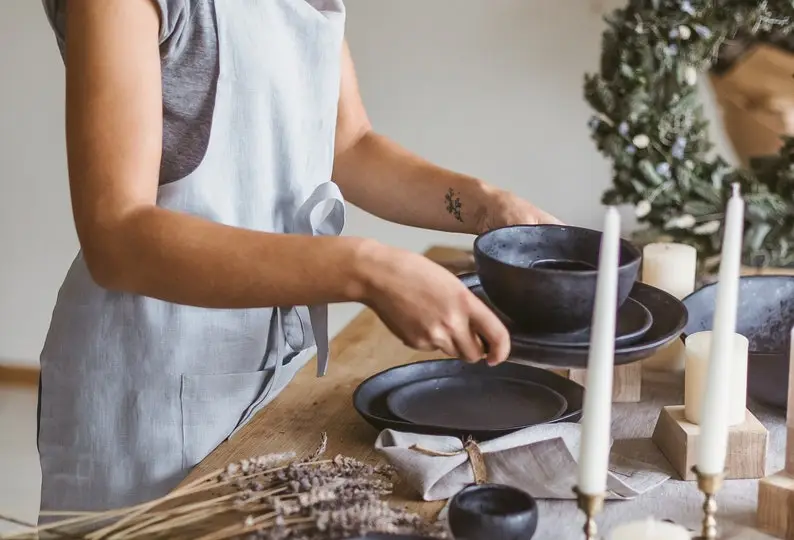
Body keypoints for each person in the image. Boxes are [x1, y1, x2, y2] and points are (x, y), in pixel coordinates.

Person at [37, 0, 561, 516]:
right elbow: (118, 235)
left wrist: (484, 205)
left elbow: (349, 143)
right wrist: (365, 269)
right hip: (143, 393)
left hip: (268, 376)